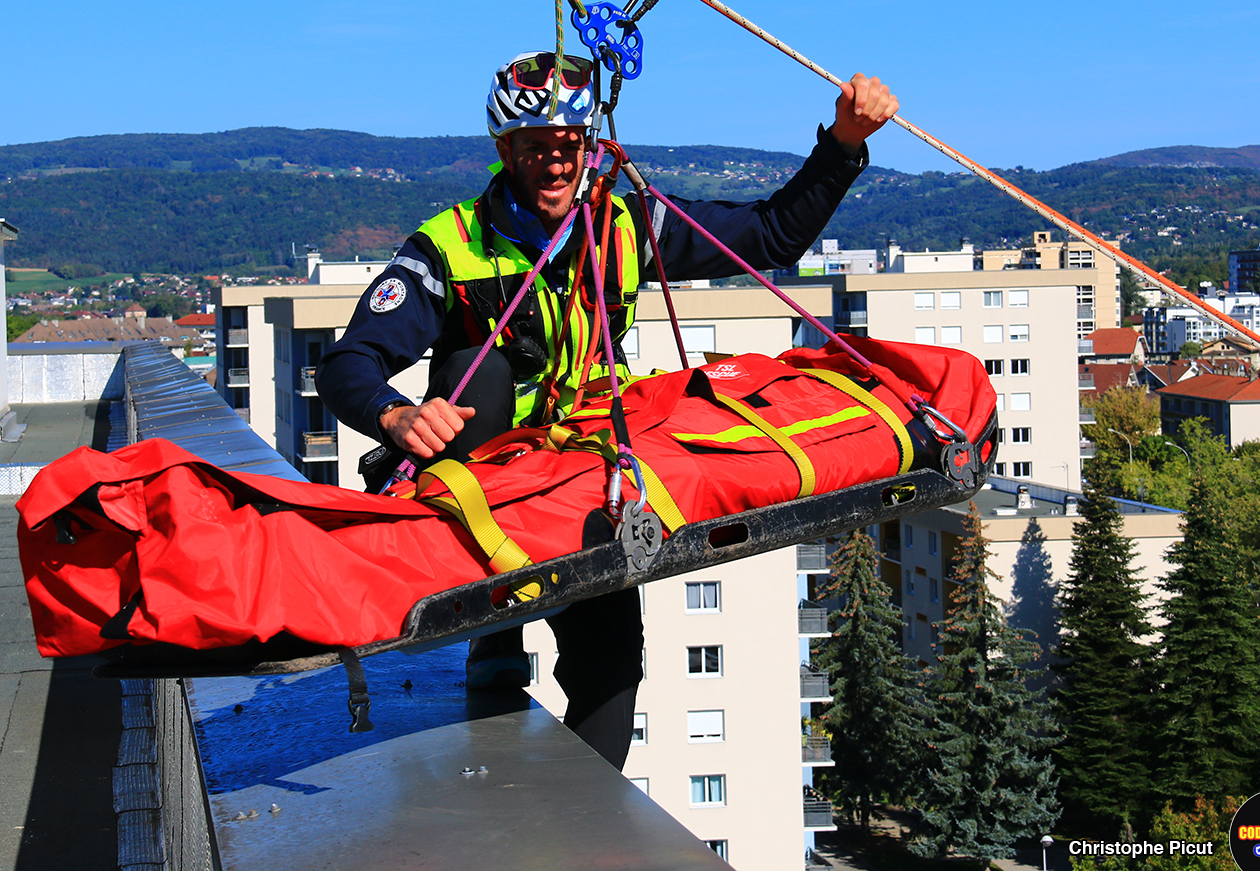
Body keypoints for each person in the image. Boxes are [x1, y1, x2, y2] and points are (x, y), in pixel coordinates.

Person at [317, 50, 898, 770]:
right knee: (477, 370)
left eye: (569, 146)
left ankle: (591, 811)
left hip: (582, 475)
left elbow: (772, 235)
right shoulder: (449, 248)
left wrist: (843, 143)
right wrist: (396, 416)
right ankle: (494, 629)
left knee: (614, 667)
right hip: (488, 481)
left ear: (588, 147)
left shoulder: (621, 226)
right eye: (536, 148)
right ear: (506, 151)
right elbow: (348, 361)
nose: (556, 164)